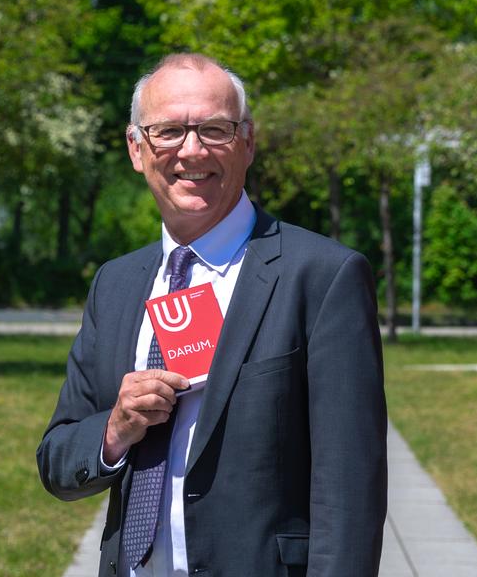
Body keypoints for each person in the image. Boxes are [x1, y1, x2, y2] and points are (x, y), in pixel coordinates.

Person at [37, 53, 387, 577]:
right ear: (137, 148)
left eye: (215, 129)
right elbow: (59, 461)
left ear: (248, 142)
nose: (192, 149)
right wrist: (116, 428)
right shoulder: (116, 283)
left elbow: (349, 493)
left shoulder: (321, 276)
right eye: (169, 131)